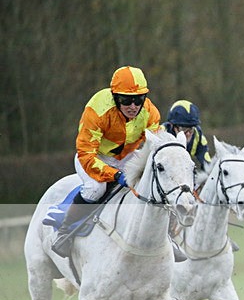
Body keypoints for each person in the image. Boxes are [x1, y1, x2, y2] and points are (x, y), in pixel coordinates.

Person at [52, 66, 160, 258]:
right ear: (115, 97)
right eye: (127, 100)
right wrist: (114, 174)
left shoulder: (150, 113)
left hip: (127, 158)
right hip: (94, 157)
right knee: (96, 189)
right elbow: (86, 153)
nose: (133, 106)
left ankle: (167, 239)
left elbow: (154, 148)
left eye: (139, 99)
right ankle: (65, 232)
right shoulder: (97, 109)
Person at [162, 100, 212, 177]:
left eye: (191, 128)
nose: (188, 133)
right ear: (172, 126)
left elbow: (207, 164)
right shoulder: (162, 133)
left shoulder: (198, 135)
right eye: (183, 129)